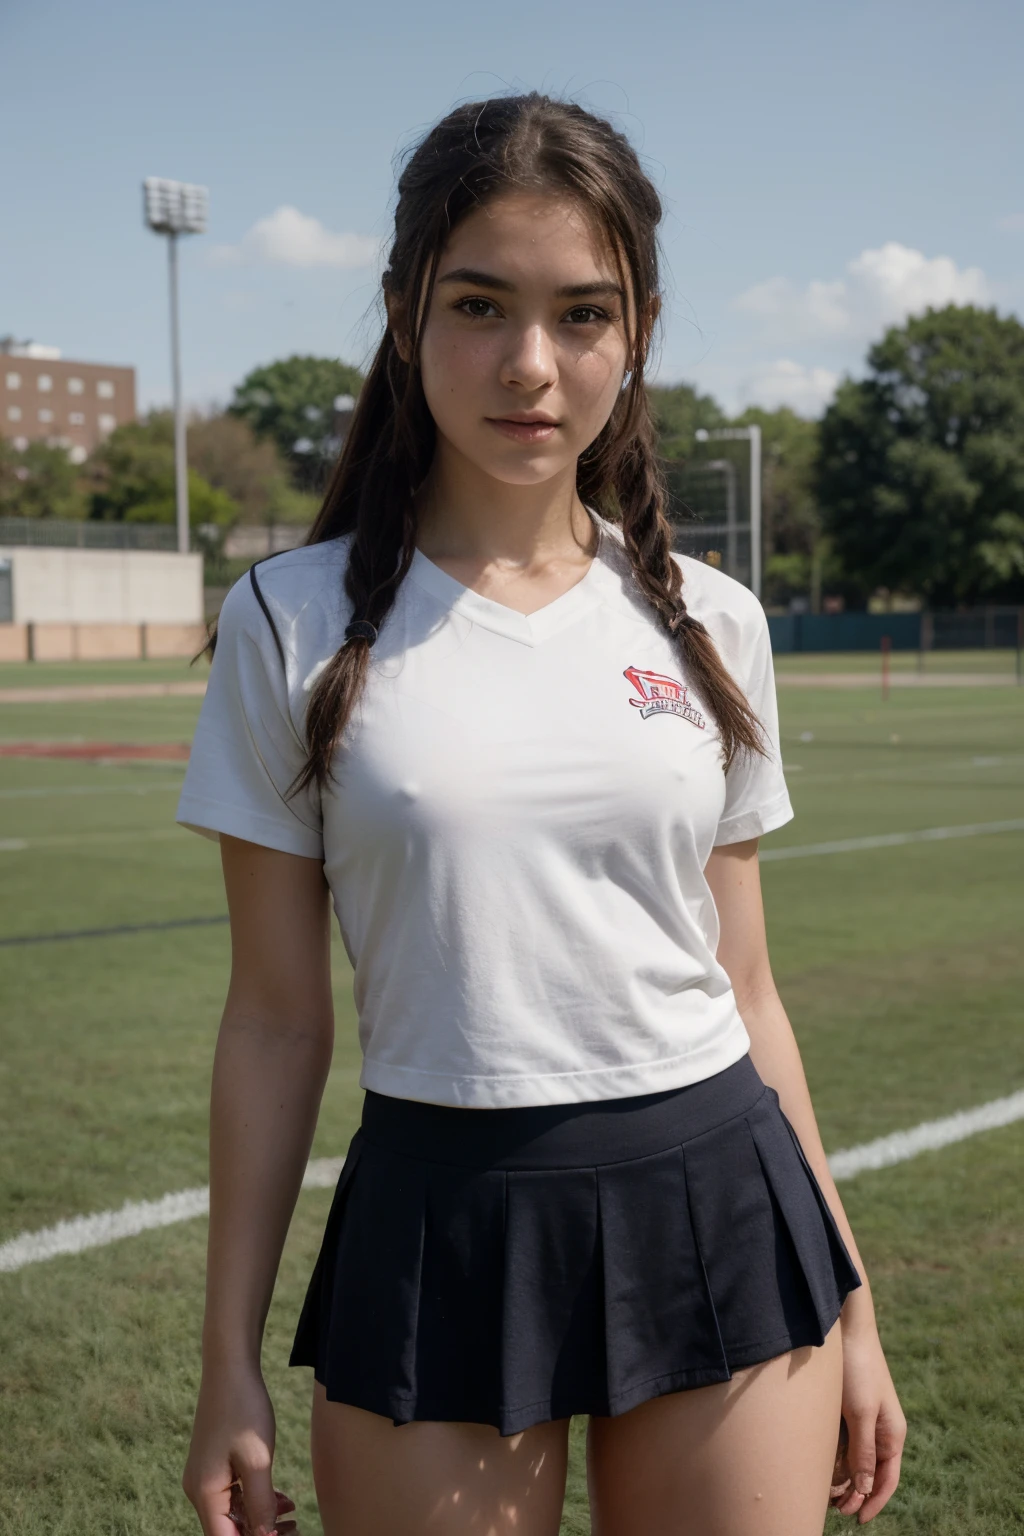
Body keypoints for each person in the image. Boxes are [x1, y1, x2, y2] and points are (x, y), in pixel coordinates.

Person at [177, 93, 906, 1536]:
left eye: (582, 314)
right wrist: (226, 1361)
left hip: (718, 1195)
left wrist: (857, 1306)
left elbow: (748, 990)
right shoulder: (289, 621)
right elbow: (274, 1019)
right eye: (478, 304)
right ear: (402, 315)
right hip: (438, 1214)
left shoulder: (711, 624)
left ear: (635, 331)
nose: (531, 365)